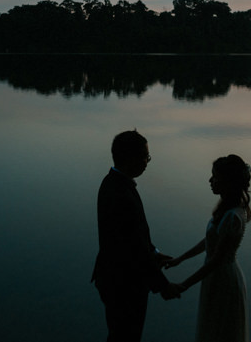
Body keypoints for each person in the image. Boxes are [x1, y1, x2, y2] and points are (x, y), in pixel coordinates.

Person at [92, 130, 183, 342]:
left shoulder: (114, 182)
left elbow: (136, 235)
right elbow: (133, 249)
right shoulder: (119, 193)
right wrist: (163, 286)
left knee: (120, 334)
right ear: (129, 158)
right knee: (125, 336)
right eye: (145, 156)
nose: (147, 162)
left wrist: (155, 252)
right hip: (123, 283)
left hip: (116, 278)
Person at [165, 154, 251, 342]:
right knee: (213, 326)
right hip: (215, 277)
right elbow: (208, 241)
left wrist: (184, 285)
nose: (210, 181)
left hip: (224, 279)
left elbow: (216, 260)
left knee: (221, 329)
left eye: (215, 177)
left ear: (228, 182)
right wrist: (180, 259)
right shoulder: (225, 210)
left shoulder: (233, 217)